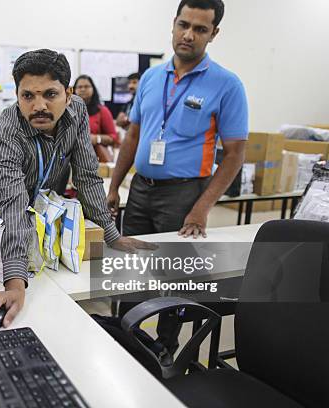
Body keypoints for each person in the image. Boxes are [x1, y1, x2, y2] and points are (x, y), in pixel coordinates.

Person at [0, 49, 154, 328]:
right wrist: (15, 285)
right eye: (28, 96)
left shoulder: (76, 112)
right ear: (17, 95)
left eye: (50, 94)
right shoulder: (4, 135)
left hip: (34, 211)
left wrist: (112, 236)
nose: (39, 105)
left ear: (68, 92)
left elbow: (87, 175)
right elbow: (11, 208)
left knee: (44, 295)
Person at [106, 0, 248, 362]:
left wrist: (201, 208)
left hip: (184, 195)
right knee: (132, 273)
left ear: (213, 34)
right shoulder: (152, 78)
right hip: (140, 191)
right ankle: (127, 338)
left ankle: (163, 349)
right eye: (184, 24)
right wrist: (113, 187)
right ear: (173, 24)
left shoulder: (227, 85)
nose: (189, 34)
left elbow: (234, 155)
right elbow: (133, 137)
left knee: (172, 278)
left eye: (200, 29)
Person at [73, 75, 119, 162]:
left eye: (86, 86)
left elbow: (113, 137)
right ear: (74, 90)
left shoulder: (102, 111)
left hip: (95, 160)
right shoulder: (68, 110)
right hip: (71, 160)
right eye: (79, 87)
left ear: (93, 89)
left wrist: (96, 138)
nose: (83, 89)